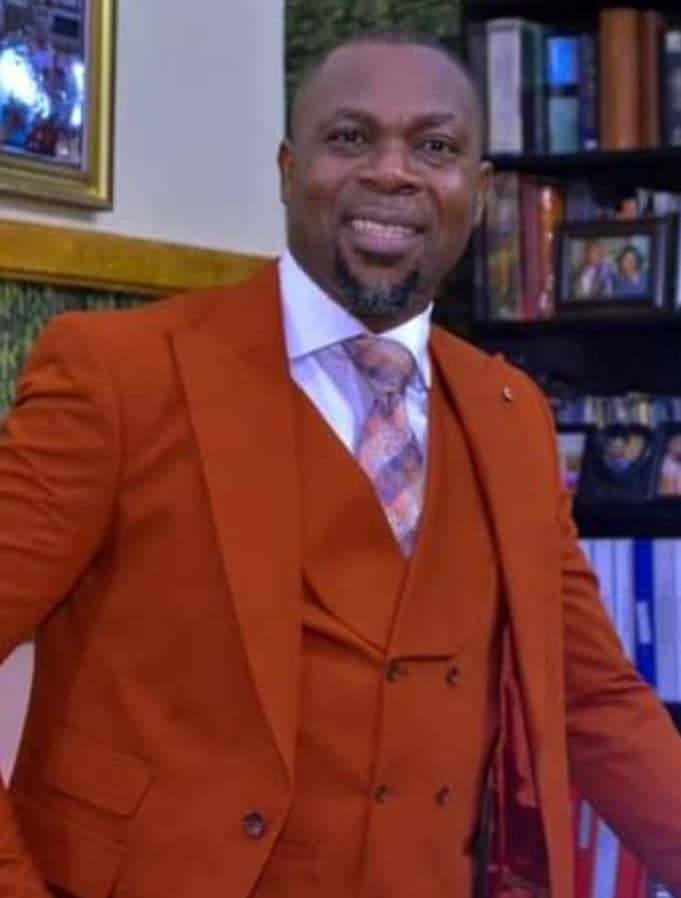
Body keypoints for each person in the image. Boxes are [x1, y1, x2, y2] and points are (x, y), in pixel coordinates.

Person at [0, 28, 679, 898]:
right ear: (288, 170)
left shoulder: (511, 414)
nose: (392, 172)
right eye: (350, 137)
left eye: (434, 147)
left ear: (477, 193)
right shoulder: (117, 374)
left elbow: (594, 700)